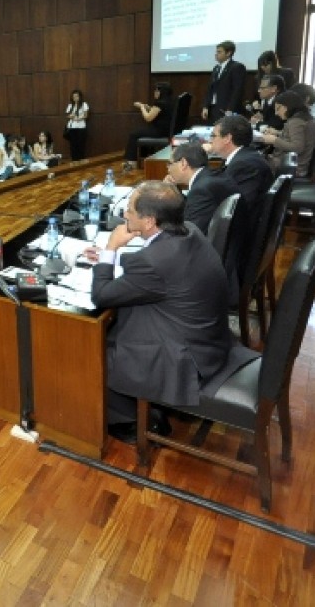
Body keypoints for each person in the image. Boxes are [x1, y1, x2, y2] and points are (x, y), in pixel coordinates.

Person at [86, 182, 254, 443]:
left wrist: (111, 249)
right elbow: (167, 271)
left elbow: (101, 295)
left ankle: (136, 421)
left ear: (149, 221)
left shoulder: (152, 261)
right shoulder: (191, 232)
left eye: (130, 210)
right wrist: (113, 261)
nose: (125, 215)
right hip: (209, 340)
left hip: (184, 359)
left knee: (93, 351)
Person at [164, 143, 234, 235]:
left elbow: (190, 231)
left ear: (183, 163)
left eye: (169, 164)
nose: (168, 169)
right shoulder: (210, 177)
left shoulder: (202, 189)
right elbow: (192, 206)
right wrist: (174, 192)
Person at [255, 91, 315, 177]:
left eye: (278, 109)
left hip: (292, 167)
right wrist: (278, 132)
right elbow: (299, 137)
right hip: (294, 163)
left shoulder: (296, 121)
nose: (276, 113)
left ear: (287, 106)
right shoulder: (307, 118)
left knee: (252, 163)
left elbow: (297, 147)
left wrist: (274, 140)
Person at [122, 82, 175, 172]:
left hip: (159, 131)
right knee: (138, 132)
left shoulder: (160, 103)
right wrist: (146, 106)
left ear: (161, 92)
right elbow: (156, 111)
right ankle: (139, 159)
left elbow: (148, 118)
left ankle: (132, 162)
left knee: (134, 134)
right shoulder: (169, 101)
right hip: (166, 130)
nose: (155, 92)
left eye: (156, 90)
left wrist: (142, 107)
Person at [201, 40, 247, 121]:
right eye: (216, 52)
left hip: (226, 110)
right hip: (213, 109)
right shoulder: (216, 68)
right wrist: (205, 106)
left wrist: (230, 109)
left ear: (228, 53)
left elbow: (237, 90)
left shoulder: (237, 67)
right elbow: (210, 89)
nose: (216, 54)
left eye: (219, 52)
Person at [64, 89, 89, 160]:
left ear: (80, 97)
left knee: (80, 145)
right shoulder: (70, 105)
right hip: (72, 128)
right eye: (74, 97)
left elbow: (86, 115)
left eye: (77, 96)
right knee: (73, 145)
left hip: (81, 127)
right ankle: (74, 160)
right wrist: (70, 116)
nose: (75, 98)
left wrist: (79, 118)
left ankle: (81, 161)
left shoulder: (84, 104)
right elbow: (67, 115)